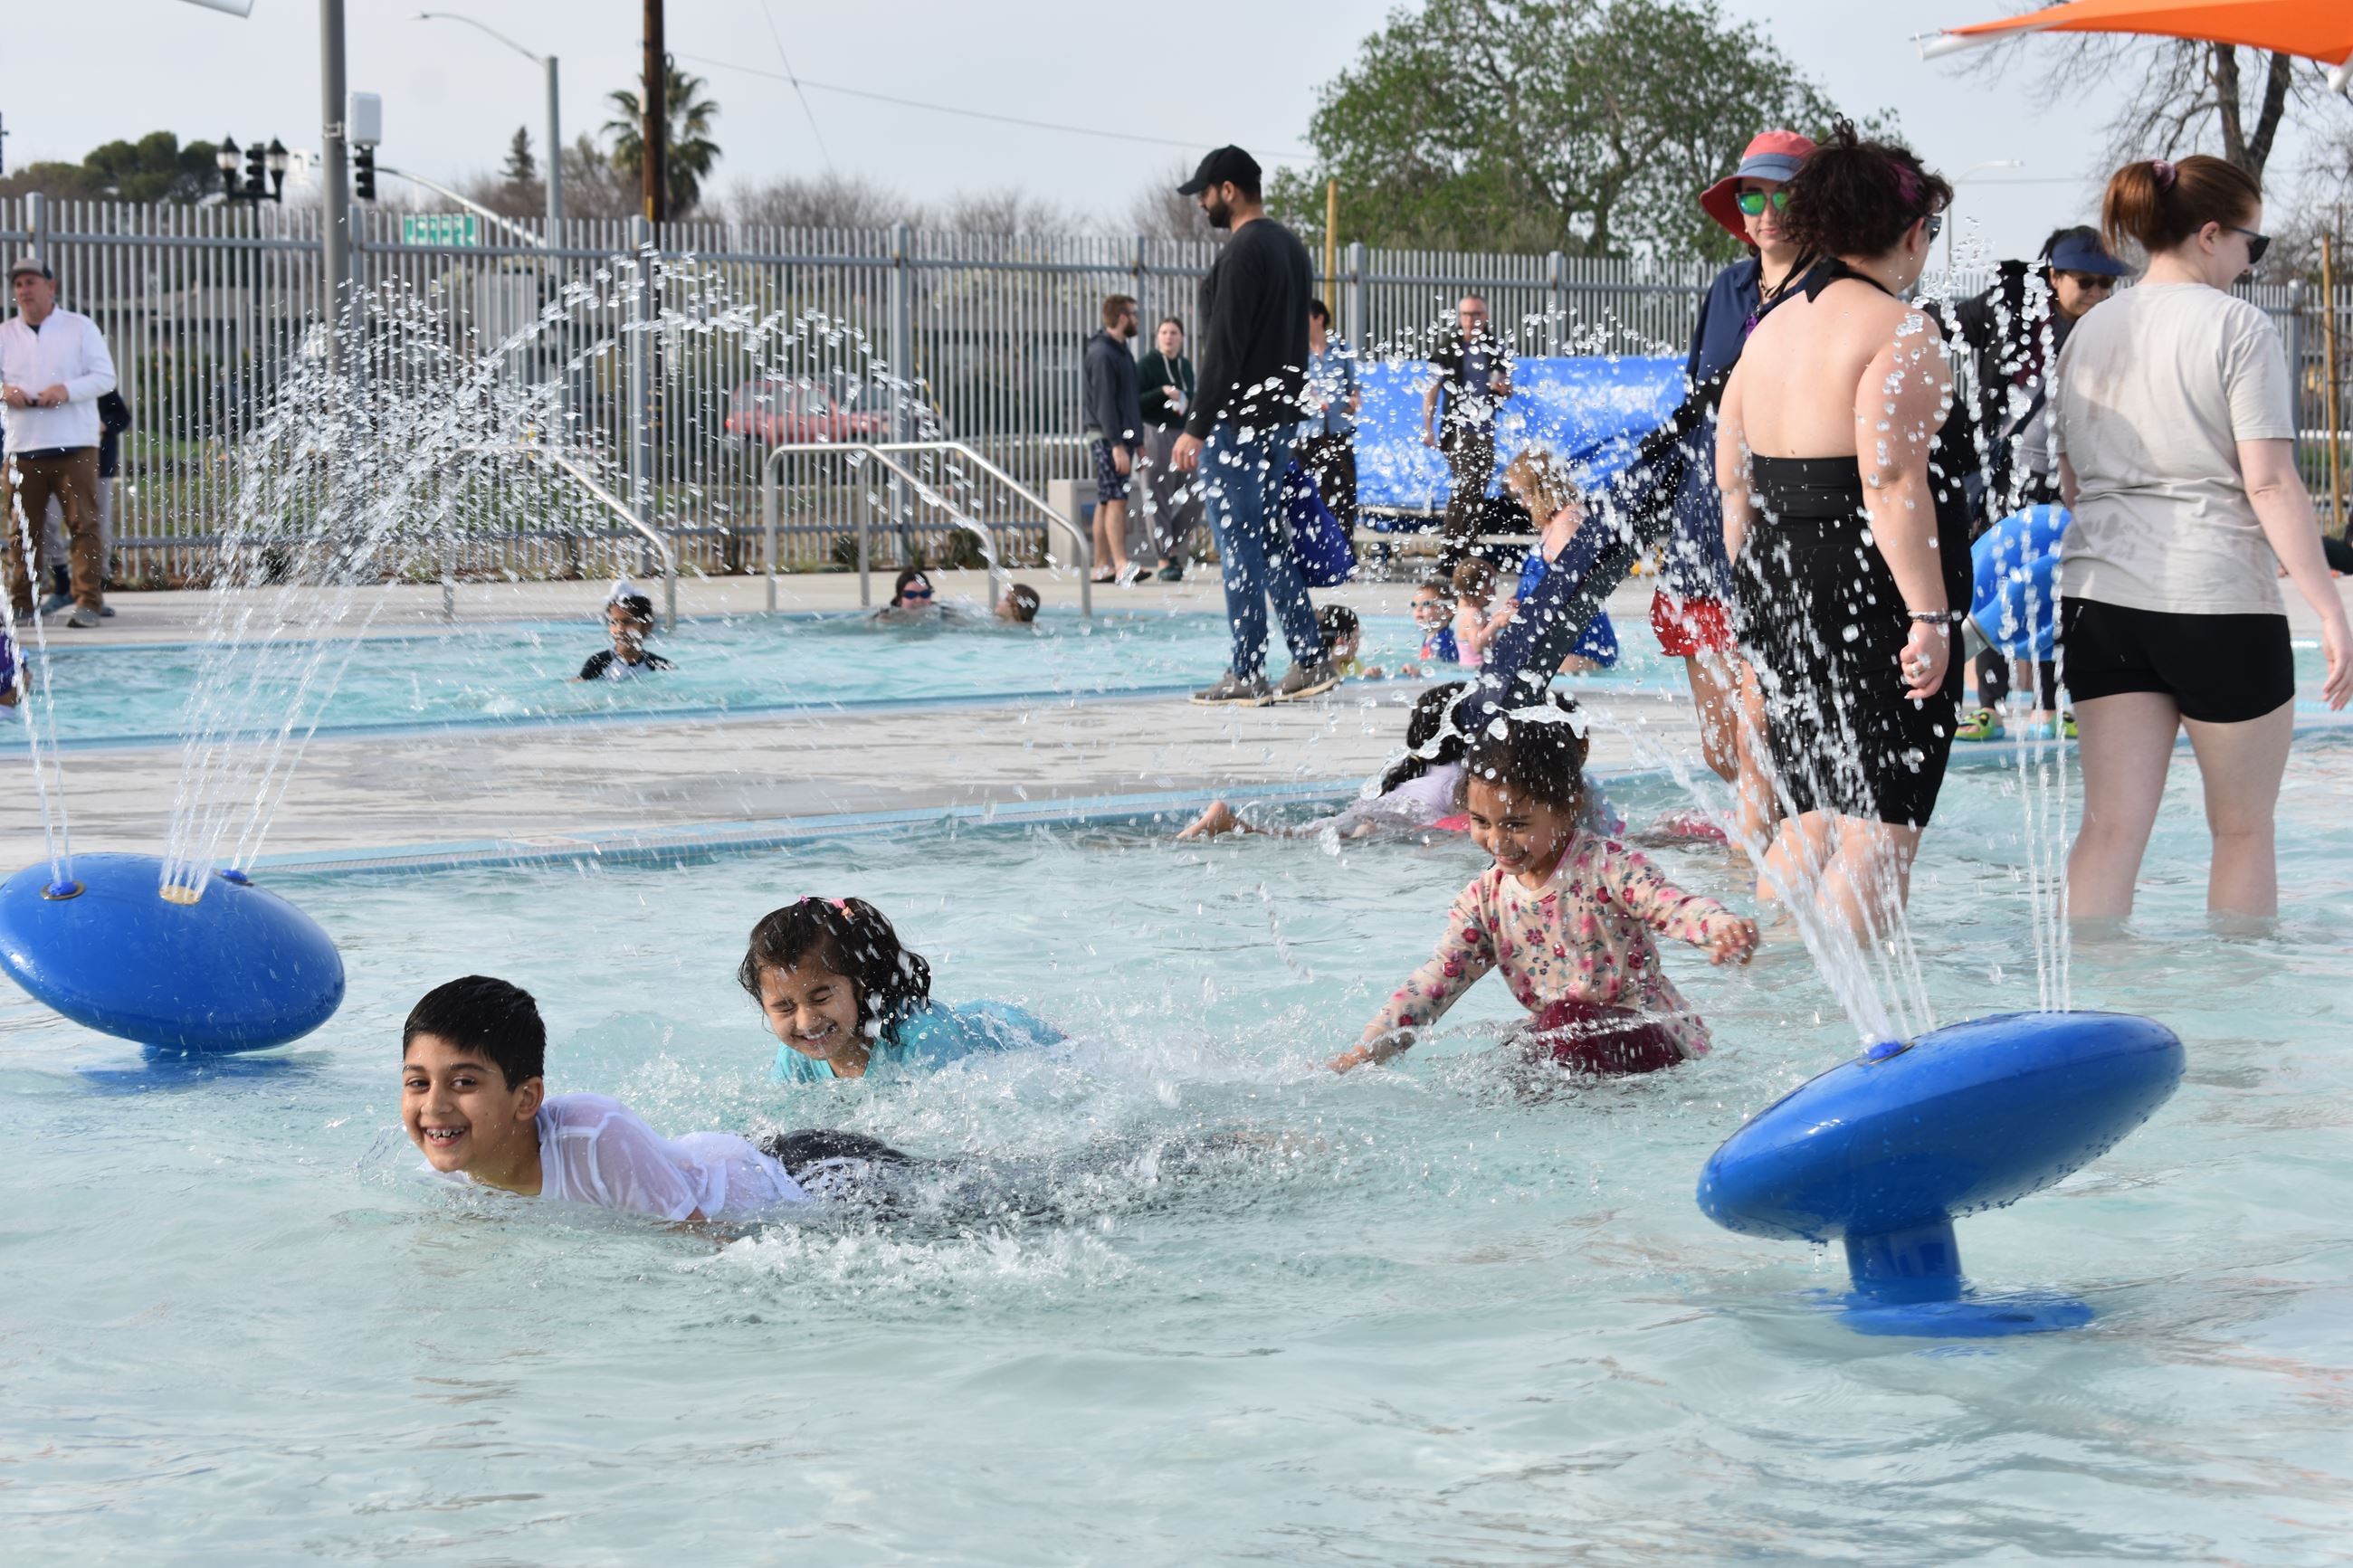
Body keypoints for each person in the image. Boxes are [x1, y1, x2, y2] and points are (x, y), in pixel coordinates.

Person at [2053, 154, 2352, 921]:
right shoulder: (2237, 327)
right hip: (2213, 593)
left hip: (2100, 599)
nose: (2253, 261)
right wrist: (2329, 608)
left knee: (2110, 829)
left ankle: (2084, 1005)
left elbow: (2073, 484)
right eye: (2255, 243)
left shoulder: (2088, 331)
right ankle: (2240, 1040)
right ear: (2212, 234)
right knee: (2243, 831)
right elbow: (2272, 483)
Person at [1716, 121, 1967, 941]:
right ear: (1910, 230)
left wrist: (1762, 593)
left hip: (1776, 570)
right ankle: (1852, 1027)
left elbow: (1733, 479)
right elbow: (1889, 479)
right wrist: (1929, 618)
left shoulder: (1773, 326)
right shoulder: (1901, 330)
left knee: (1811, 807)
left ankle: (1777, 986)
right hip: (1868, 578)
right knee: (1879, 819)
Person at [1332, 698, 1758, 1076]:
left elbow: (1669, 903)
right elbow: (1433, 985)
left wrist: (1717, 927)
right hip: (1569, 1041)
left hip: (1650, 1037)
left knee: (1558, 1026)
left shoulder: (1606, 867)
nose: (1497, 841)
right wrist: (1363, 1054)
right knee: (1517, 1053)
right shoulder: (1484, 900)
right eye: (1481, 823)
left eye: (1516, 824)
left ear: (1569, 806)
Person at [403, 975, 814, 1221]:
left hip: (784, 1176)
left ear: (526, 1098)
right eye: (418, 1083)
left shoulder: (595, 1136)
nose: (434, 1107)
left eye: (463, 1083)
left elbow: (703, 1239)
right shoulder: (447, 1173)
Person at [1674, 129, 1814, 835]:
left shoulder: (1830, 290)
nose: (1767, 210)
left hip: (1787, 523)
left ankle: (1772, 854)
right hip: (1705, 518)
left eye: (1783, 193)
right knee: (1722, 745)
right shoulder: (1725, 289)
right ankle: (1778, 830)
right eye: (1752, 195)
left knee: (1767, 729)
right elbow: (1699, 398)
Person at [1170, 146, 1335, 707]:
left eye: (1206, 194)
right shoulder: (1291, 246)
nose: (1203, 205)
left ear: (1229, 190)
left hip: (1237, 424)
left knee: (1241, 546)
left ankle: (1248, 672)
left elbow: (1225, 347)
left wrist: (1197, 424)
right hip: (1278, 423)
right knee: (1268, 540)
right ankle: (1310, 659)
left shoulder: (1243, 252)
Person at [1948, 225, 2126, 743]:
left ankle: (2053, 706)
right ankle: (1991, 706)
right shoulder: (2011, 309)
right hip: (2009, 480)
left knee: (2060, 588)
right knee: (1996, 586)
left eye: (2105, 285)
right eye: (2086, 282)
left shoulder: (2107, 331)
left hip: (2070, 482)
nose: (2096, 294)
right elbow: (1946, 325)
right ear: (2054, 274)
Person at [741, 896, 1064, 1083]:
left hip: (1018, 1039)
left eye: (821, 997)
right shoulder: (795, 1059)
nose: (807, 1021)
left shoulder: (921, 1041)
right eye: (784, 1008)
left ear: (861, 983)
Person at [1179, 679, 1472, 842]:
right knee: (1346, 842)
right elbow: (1464, 824)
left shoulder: (1410, 768)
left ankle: (1229, 822)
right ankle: (1230, 823)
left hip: (1372, 810)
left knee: (1296, 836)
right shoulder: (1462, 777)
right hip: (1395, 821)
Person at [0, 259, 117, 628]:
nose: (24, 290)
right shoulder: (5, 333)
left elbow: (105, 378)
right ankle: (23, 602)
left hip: (75, 446)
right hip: (23, 447)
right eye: (18, 284)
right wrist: (5, 391)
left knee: (84, 526)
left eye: (31, 282)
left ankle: (88, 603)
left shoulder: (80, 328)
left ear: (52, 287)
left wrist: (66, 390)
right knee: (22, 531)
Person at [1499, 450, 1619, 677]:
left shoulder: (1568, 520)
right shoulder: (1554, 522)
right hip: (1557, 641)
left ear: (1541, 487)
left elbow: (1576, 587)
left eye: (1523, 494)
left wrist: (1526, 612)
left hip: (1575, 644)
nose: (1522, 504)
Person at [1423, 294, 1514, 571]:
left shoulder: (1493, 348)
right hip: (1457, 429)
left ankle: (1464, 553)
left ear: (1485, 317)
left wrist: (1503, 389)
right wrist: (1428, 429)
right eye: (1465, 314)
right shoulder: (1447, 347)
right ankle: (1448, 552)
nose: (1470, 320)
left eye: (1476, 314)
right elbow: (1431, 390)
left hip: (1485, 430)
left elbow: (1506, 387)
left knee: (1477, 490)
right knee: (1465, 481)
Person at [1081, 294, 1146, 586]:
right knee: (1116, 500)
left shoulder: (1120, 351)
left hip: (1120, 438)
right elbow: (1105, 403)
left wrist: (1139, 442)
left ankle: (1101, 566)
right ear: (1122, 317)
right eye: (1134, 314)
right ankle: (1121, 565)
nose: (1136, 319)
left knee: (1107, 500)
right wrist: (1117, 445)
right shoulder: (1102, 353)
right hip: (1108, 438)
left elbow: (1129, 402)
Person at [1136, 316, 1204, 582]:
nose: (1168, 337)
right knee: (1158, 495)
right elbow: (1135, 401)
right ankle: (1164, 558)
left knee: (1195, 495)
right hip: (1154, 431)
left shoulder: (1185, 366)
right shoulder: (1147, 365)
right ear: (1157, 337)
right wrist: (1162, 392)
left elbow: (1191, 395)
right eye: (1164, 332)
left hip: (1183, 433)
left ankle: (1172, 544)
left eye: (1174, 332)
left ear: (1182, 338)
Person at [1300, 299, 1361, 534]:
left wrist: (1353, 402)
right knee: (1308, 493)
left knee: (1344, 491)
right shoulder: (1296, 352)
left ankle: (1344, 548)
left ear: (1319, 319)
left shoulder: (1341, 350)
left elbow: (1353, 390)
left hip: (1338, 432)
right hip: (1307, 435)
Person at [574, 589, 672, 681]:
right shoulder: (598, 663)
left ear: (647, 625)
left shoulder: (659, 665)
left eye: (627, 622)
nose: (619, 630)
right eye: (613, 622)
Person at [1448, 558, 1512, 670]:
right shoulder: (1471, 613)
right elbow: (1477, 645)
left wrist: (1500, 616)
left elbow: (1482, 632)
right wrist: (1495, 623)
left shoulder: (1464, 612)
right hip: (1476, 670)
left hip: (1471, 669)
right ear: (1481, 587)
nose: (1494, 592)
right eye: (1492, 586)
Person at [1396, 578, 1459, 676]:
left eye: (1426, 604)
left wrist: (1420, 673)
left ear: (1448, 611)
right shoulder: (1431, 638)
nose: (1419, 608)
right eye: (1414, 604)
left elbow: (1448, 673)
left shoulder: (1444, 641)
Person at [1317, 602, 1383, 680]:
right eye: (1357, 636)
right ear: (1341, 641)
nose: (1359, 641)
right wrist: (1362, 680)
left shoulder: (1353, 664)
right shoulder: (1320, 673)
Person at [874, 567, 940, 622]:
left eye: (925, 594)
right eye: (911, 595)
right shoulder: (884, 619)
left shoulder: (943, 615)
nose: (919, 600)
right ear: (899, 599)